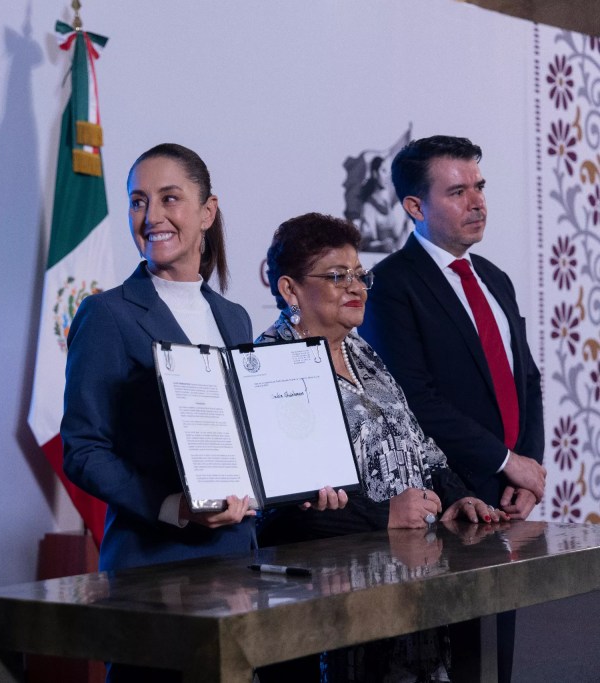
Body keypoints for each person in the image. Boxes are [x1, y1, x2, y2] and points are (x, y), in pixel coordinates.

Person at [61, 144, 344, 682]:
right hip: (153, 569)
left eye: (171, 199)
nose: (152, 217)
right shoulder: (106, 314)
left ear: (207, 212)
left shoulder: (233, 318)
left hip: (238, 563)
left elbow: (249, 443)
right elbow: (83, 451)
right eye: (138, 202)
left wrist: (300, 482)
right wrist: (173, 506)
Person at [256, 212, 505, 682]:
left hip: (405, 590)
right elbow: (282, 509)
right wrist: (387, 514)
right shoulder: (271, 366)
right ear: (289, 290)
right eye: (336, 276)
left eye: (359, 274)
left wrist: (457, 497)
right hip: (329, 607)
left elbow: (420, 444)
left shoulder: (362, 351)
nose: (357, 287)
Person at [357, 136, 545, 683]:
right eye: (458, 191)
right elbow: (413, 400)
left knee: (498, 658)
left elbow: (526, 379)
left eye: (479, 187)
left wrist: (527, 469)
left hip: (510, 497)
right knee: (457, 662)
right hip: (450, 504)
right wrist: (502, 460)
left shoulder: (494, 278)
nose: (477, 202)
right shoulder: (391, 285)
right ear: (415, 206)